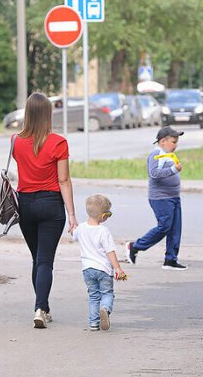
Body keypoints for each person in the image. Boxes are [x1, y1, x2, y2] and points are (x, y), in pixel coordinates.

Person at [12, 92, 78, 328]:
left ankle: (43, 307)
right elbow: (64, 180)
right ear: (48, 114)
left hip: (25, 205)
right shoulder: (58, 142)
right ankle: (40, 308)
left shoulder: (15, 141)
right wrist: (72, 214)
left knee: (37, 259)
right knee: (44, 261)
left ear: (28, 114)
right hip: (51, 205)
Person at [126, 126, 186, 270]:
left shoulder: (168, 155)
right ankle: (135, 246)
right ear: (163, 141)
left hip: (173, 197)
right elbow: (154, 173)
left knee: (175, 229)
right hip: (161, 198)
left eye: (177, 141)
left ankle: (170, 259)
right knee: (164, 226)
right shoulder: (156, 154)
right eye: (173, 141)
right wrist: (174, 170)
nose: (176, 145)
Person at [72, 194, 125, 331]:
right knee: (107, 293)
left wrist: (73, 227)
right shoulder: (103, 231)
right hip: (103, 269)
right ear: (103, 216)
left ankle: (94, 323)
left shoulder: (81, 228)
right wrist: (118, 268)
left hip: (87, 270)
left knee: (93, 295)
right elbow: (110, 251)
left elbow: (73, 235)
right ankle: (105, 309)